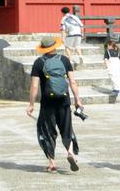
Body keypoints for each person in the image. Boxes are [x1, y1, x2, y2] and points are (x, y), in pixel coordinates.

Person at [27, 37, 83, 173]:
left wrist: (31, 104)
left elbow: (34, 87)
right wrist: (77, 100)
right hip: (64, 101)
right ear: (55, 46)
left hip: (47, 102)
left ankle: (52, 163)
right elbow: (73, 82)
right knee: (66, 128)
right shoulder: (64, 60)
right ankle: (70, 153)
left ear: (43, 48)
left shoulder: (38, 63)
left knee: (48, 131)